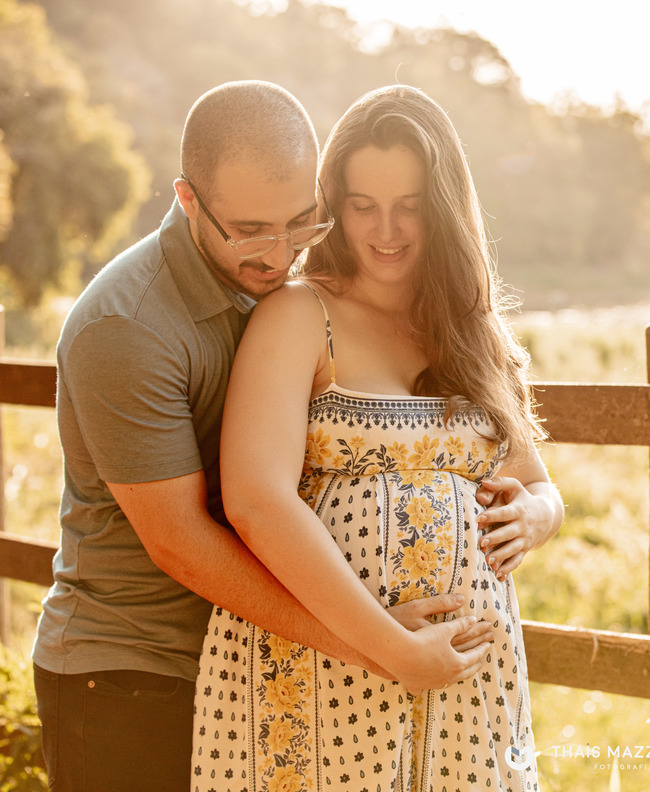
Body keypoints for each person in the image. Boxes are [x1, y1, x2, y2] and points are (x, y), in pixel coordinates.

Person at [32, 81, 489, 792]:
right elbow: (180, 540)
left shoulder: (284, 285)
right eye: (250, 230)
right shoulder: (126, 329)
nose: (279, 255)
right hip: (131, 673)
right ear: (188, 201)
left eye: (301, 222)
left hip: (251, 662)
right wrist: (375, 645)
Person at [190, 84, 562, 792]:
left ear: (444, 206)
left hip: (465, 686)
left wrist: (538, 515)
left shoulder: (472, 332)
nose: (384, 229)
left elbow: (538, 483)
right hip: (325, 675)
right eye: (362, 205)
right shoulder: (301, 314)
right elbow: (256, 499)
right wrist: (392, 647)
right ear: (333, 202)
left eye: (409, 206)